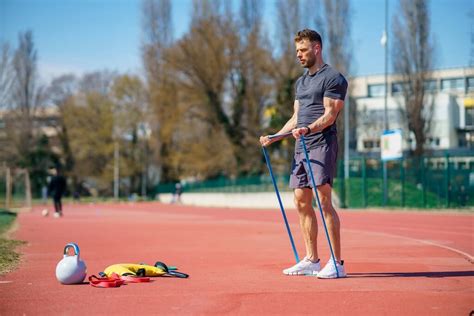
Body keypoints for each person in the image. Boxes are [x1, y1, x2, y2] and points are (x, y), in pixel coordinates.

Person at [260, 29, 348, 279]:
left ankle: (337, 263)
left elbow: (330, 115)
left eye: (303, 50)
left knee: (323, 202)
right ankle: (312, 259)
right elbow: (296, 117)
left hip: (322, 143)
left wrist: (309, 128)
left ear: (317, 48)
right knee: (300, 201)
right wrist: (275, 136)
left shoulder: (333, 78)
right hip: (301, 147)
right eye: (297, 50)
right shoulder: (301, 82)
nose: (298, 55)